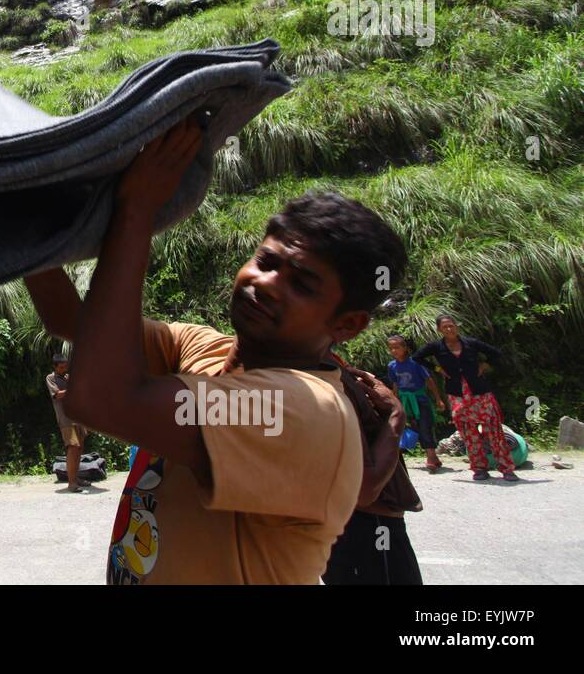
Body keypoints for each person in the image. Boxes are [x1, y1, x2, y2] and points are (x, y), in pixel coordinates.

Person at [24, 119, 409, 584]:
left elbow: (99, 399)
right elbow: (74, 325)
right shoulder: (204, 349)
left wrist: (137, 209)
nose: (265, 284)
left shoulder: (304, 410)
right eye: (266, 262)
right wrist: (25, 218)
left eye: (302, 283)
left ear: (346, 325)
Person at [322, 353, 425, 585]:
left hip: (347, 523)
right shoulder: (324, 378)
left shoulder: (324, 366)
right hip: (368, 523)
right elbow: (365, 489)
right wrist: (395, 414)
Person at [415, 314, 518, 482]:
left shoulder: (471, 343)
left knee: (494, 431)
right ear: (439, 329)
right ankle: (479, 469)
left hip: (480, 393)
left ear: (456, 326)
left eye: (451, 325)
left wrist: (485, 364)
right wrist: (438, 369)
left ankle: (506, 469)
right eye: (445, 327)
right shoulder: (437, 347)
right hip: (457, 395)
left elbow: (496, 353)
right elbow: (417, 358)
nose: (449, 329)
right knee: (469, 434)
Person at [385, 334, 445, 472]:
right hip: (405, 401)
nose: (394, 351)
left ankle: (430, 457)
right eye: (391, 348)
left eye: (397, 347)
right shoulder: (392, 366)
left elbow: (429, 380)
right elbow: (395, 383)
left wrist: (438, 399)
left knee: (425, 426)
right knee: (412, 427)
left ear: (405, 348)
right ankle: (433, 457)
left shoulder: (416, 363)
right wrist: (396, 400)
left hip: (420, 399)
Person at [46, 345, 89, 492]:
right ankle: (71, 483)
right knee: (73, 448)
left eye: (66, 366)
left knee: (80, 448)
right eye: (62, 367)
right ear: (55, 367)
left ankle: (76, 478)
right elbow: (58, 395)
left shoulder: (68, 377)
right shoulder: (50, 378)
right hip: (66, 420)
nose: (65, 369)